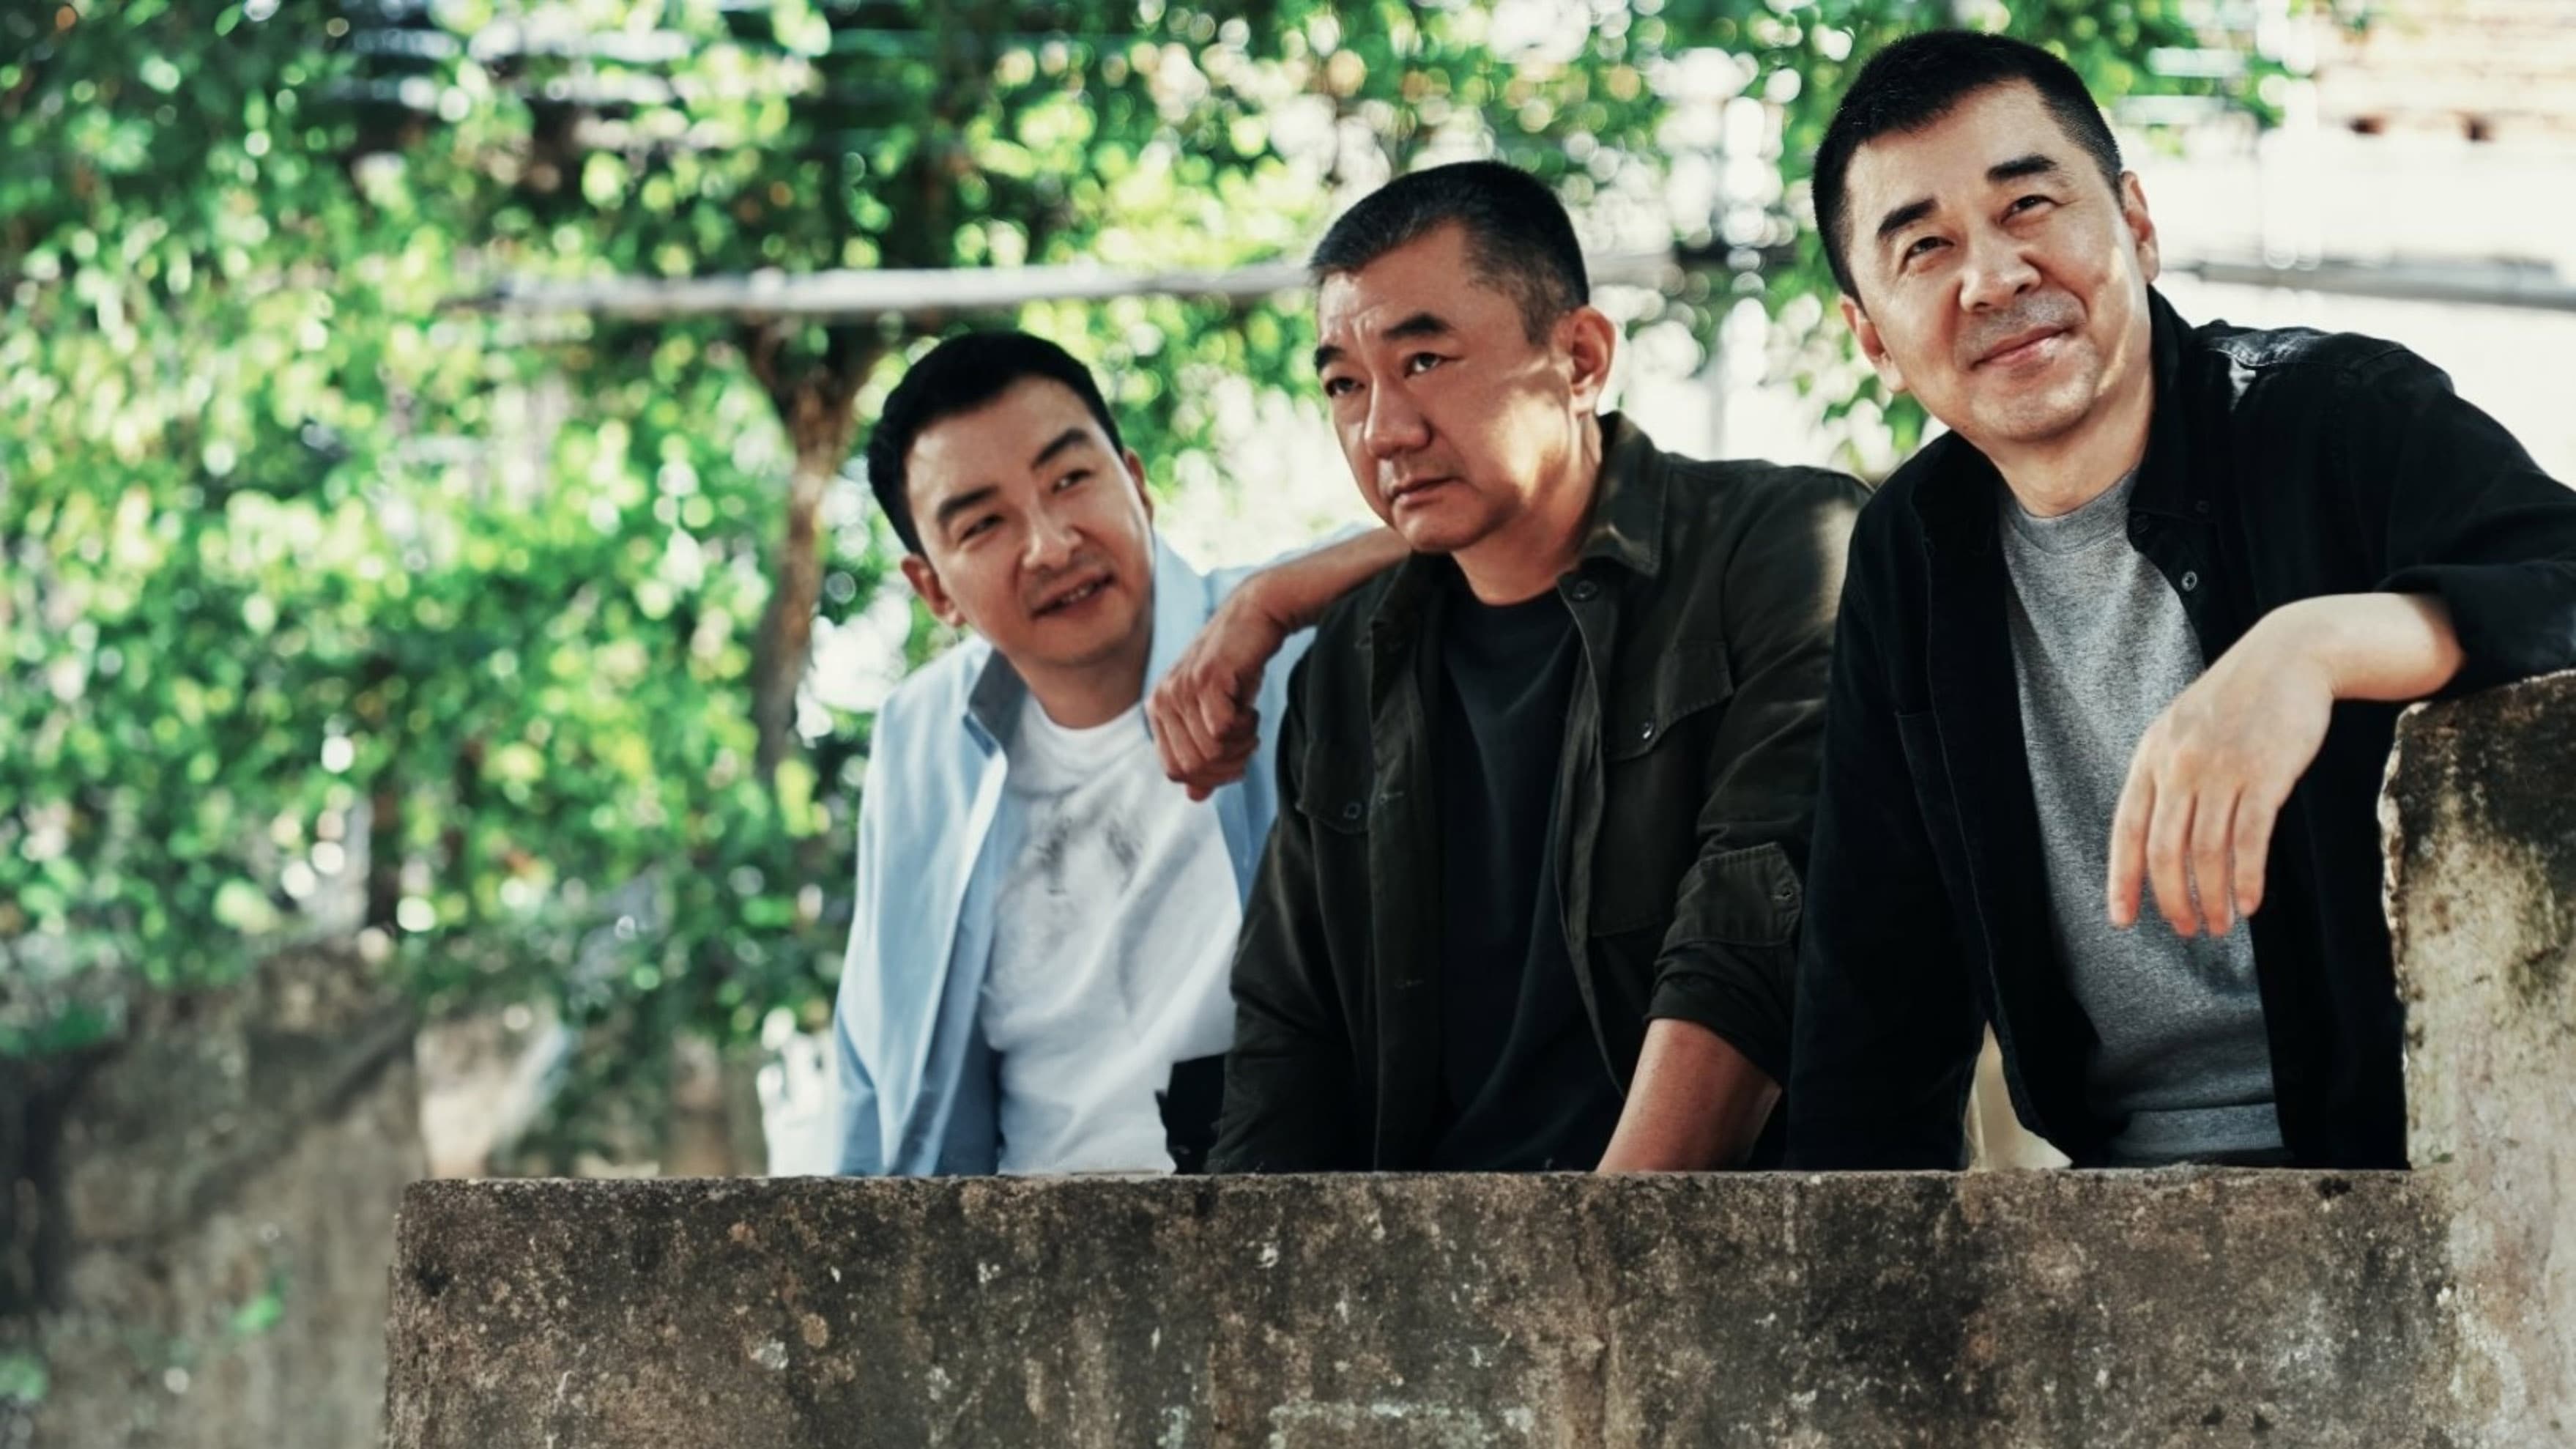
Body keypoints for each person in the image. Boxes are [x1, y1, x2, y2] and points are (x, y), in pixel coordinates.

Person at [1786, 32, 2576, 1170]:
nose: (1994, 277)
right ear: (1871, 333)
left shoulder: (2337, 416)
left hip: (2433, 1175)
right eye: (1925, 247)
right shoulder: (1908, 551)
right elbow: (1873, 995)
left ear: (2137, 224)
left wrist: (2319, 646)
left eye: (2028, 206)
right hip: (2117, 1207)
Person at [1206, 161, 1866, 1173]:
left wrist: (1596, 1251)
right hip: (1418, 1244)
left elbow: (1750, 940)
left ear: (1581, 358)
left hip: (1721, 1236)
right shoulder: (1351, 658)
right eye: (1345, 383)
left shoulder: (1782, 545)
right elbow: (1287, 1033)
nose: (1383, 429)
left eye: (1425, 359)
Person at [829, 330, 1403, 1176]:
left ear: (1136, 483)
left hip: (1290, 1215)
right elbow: (870, 1066)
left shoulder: (1293, 638)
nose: (1052, 544)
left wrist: (1269, 604)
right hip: (1023, 1235)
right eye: (984, 523)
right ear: (933, 588)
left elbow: (1510, 517)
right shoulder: (920, 737)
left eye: (1070, 480)